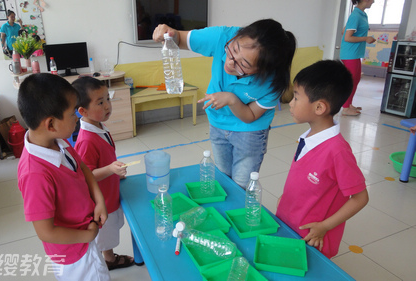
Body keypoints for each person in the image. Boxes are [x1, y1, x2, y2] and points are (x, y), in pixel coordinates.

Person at [153, 19, 296, 188]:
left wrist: (231, 99)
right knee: (222, 177)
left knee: (242, 183)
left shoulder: (273, 82)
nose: (229, 62)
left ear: (263, 71)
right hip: (218, 122)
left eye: (243, 65)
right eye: (233, 50)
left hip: (250, 131)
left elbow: (250, 116)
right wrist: (171, 34)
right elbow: (180, 39)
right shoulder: (224, 36)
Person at [17, 73, 110, 281]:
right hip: (72, 256)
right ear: (50, 124)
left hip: (86, 236)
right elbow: (46, 232)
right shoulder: (35, 174)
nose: (77, 117)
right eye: (72, 114)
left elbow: (82, 167)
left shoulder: (58, 141)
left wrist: (99, 199)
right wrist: (87, 236)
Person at [276, 60, 369, 258]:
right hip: (290, 224)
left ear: (319, 107)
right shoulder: (309, 136)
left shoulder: (337, 151)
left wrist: (325, 227)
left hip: (312, 236)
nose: (290, 103)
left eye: (296, 97)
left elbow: (361, 198)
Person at [72, 76, 135, 270]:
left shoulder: (99, 126)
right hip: (101, 201)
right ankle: (104, 262)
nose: (108, 105)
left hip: (109, 191)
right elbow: (85, 175)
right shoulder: (87, 140)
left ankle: (109, 257)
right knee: (105, 234)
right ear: (82, 111)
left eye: (108, 98)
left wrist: (114, 173)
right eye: (100, 102)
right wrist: (110, 169)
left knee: (110, 232)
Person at [340, 0, 376, 116]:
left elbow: (343, 31)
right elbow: (347, 37)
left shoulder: (361, 14)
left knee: (356, 80)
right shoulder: (356, 15)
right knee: (351, 81)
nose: (374, 1)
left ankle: (349, 104)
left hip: (355, 53)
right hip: (350, 54)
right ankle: (345, 108)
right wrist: (366, 38)